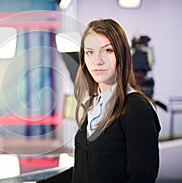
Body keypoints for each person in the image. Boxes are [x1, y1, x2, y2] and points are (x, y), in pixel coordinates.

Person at [37, 18, 161, 183]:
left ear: (122, 54)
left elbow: (141, 178)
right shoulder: (92, 105)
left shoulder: (137, 109)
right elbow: (86, 169)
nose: (97, 60)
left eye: (107, 50)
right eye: (90, 52)